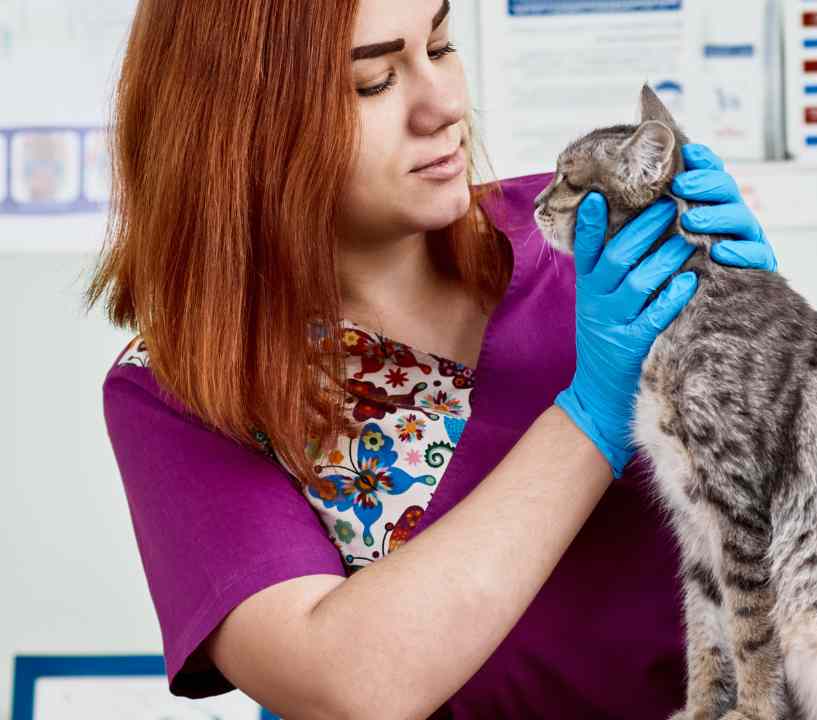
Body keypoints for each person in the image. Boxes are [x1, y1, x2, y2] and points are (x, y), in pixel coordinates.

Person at [86, 2, 778, 718]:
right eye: (374, 82)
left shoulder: (598, 241)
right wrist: (593, 411)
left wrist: (764, 344)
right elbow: (346, 687)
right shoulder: (187, 392)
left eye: (441, 46)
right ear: (240, 128)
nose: (445, 105)